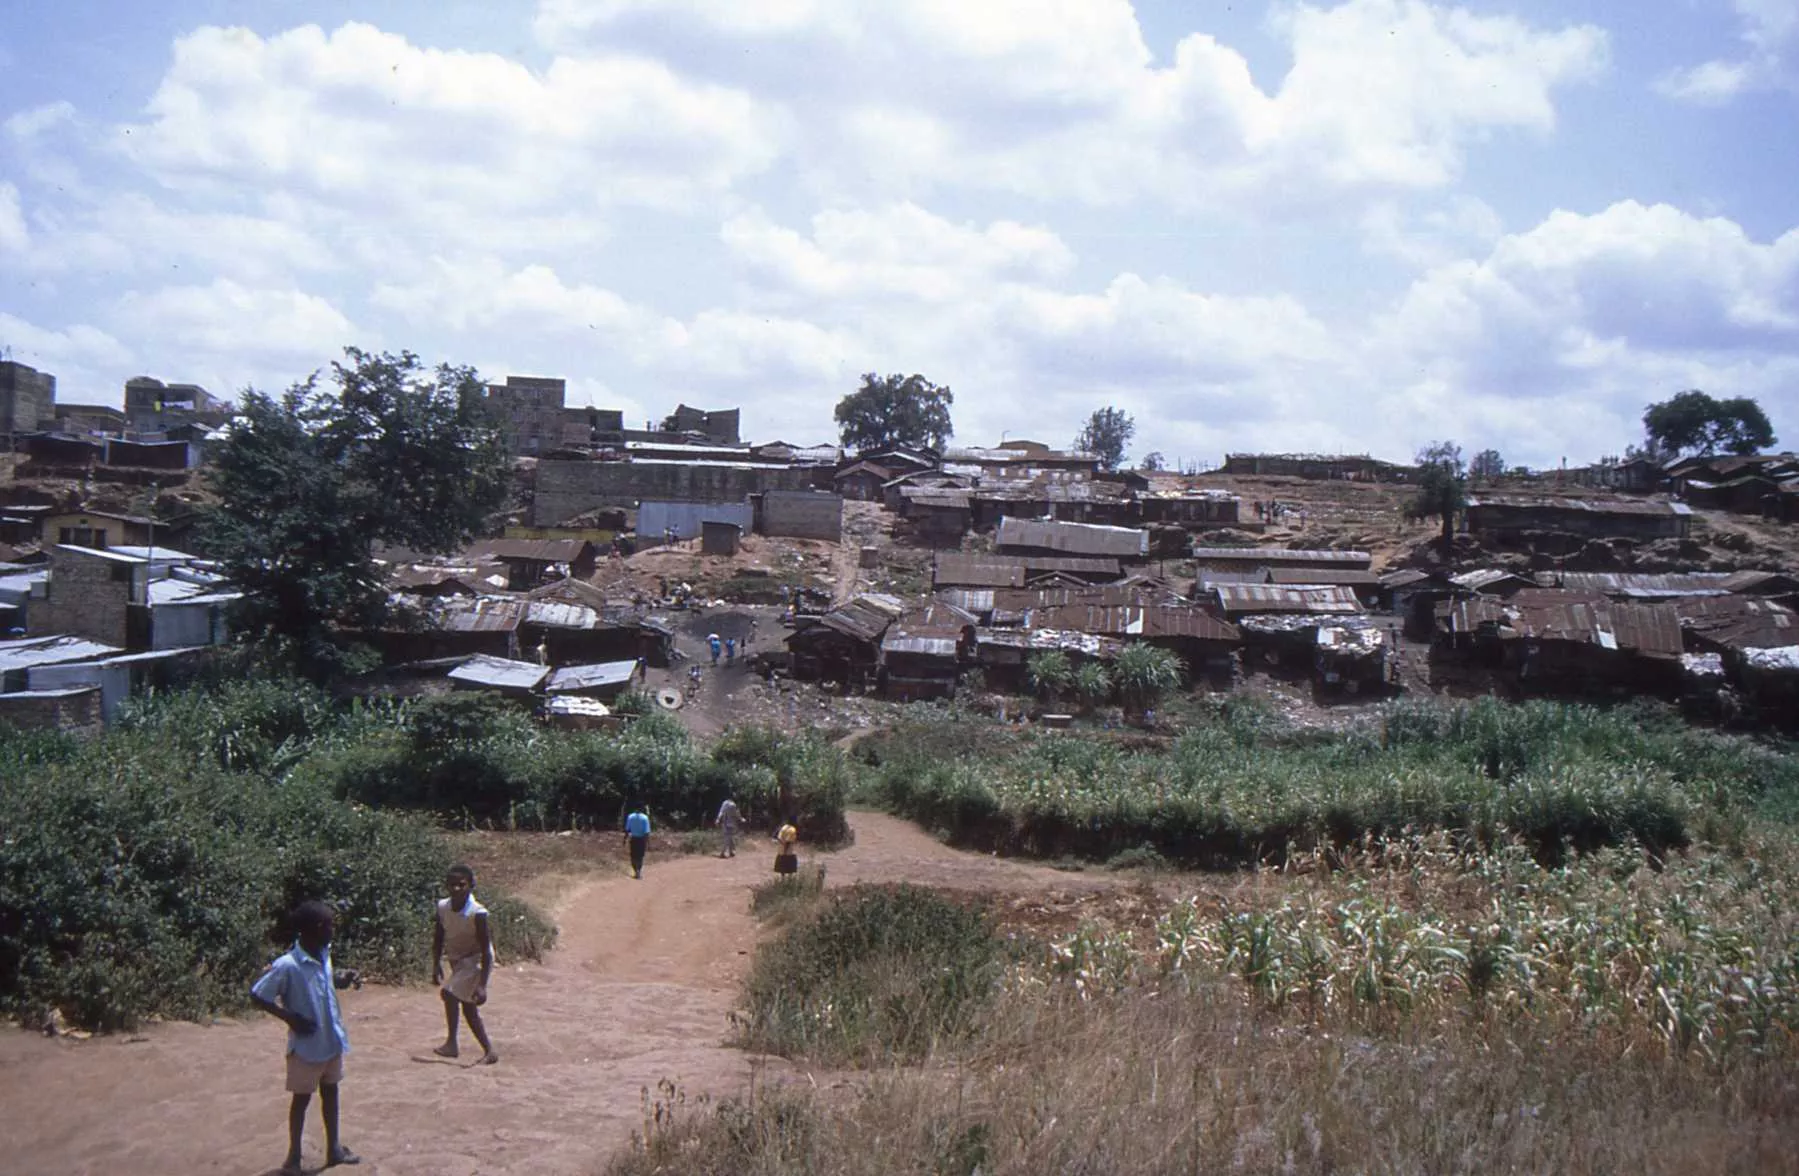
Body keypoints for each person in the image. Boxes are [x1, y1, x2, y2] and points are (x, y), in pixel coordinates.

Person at [250, 900, 361, 1174]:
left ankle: (334, 1148)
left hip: (331, 1039)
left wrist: (342, 978)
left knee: (331, 1092)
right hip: (306, 1047)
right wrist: (290, 1018)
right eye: (330, 925)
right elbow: (257, 995)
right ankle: (293, 1158)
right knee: (301, 1100)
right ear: (315, 929)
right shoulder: (287, 965)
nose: (333, 930)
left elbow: (324, 980)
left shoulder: (325, 954)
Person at [431, 865, 498, 1065]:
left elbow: (486, 949)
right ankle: (489, 1050)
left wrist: (482, 985)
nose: (457, 889)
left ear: (471, 886)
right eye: (452, 885)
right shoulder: (443, 907)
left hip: (476, 959)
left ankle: (452, 1043)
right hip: (458, 959)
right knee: (468, 1007)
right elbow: (438, 936)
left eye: (461, 885)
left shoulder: (477, 913)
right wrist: (436, 964)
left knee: (449, 994)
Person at [624, 804, 651, 879]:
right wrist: (648, 843)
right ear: (642, 809)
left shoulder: (630, 817)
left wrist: (624, 839)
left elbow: (627, 830)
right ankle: (638, 871)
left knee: (633, 856)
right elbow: (647, 832)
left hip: (633, 839)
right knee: (640, 856)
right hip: (641, 839)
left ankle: (636, 871)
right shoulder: (645, 818)